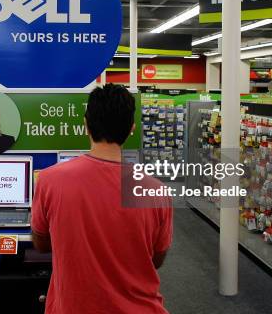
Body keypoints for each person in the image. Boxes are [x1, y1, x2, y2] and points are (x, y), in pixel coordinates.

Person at [32, 84, 172, 314]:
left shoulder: (50, 180)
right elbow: (155, 259)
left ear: (86, 125)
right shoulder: (155, 190)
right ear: (131, 129)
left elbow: (42, 244)